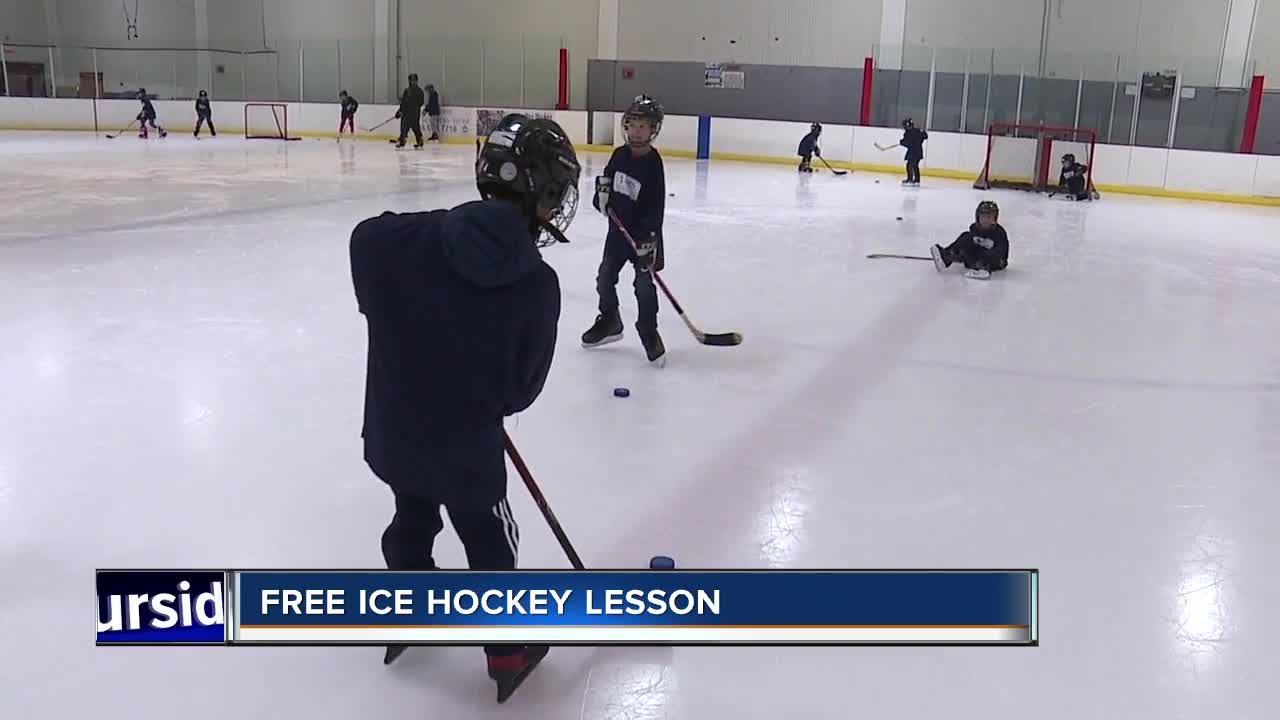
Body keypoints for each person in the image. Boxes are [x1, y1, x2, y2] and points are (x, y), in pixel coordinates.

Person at [349, 114, 580, 704]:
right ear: (544, 195)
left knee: (412, 518)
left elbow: (363, 240)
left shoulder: (404, 239)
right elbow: (517, 394)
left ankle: (405, 610)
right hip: (465, 453)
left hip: (395, 433)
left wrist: (394, 319)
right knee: (490, 538)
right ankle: (506, 650)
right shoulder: (537, 286)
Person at [582, 95, 668, 365]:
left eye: (643, 126)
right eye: (632, 124)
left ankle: (648, 332)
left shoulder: (654, 165)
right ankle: (610, 320)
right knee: (604, 278)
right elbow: (606, 185)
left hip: (644, 239)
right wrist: (602, 199)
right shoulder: (619, 155)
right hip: (617, 234)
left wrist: (648, 241)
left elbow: (656, 209)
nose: (637, 130)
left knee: (643, 286)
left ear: (653, 130)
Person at [929, 200, 1009, 280]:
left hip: (994, 262)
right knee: (965, 236)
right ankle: (946, 256)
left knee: (991, 255)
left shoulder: (999, 233)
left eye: (989, 217)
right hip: (975, 259)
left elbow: (1001, 252)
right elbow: (969, 245)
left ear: (994, 219)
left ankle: (983, 269)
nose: (985, 220)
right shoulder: (974, 228)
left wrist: (986, 257)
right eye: (983, 216)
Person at [394, 73, 426, 149]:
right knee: (414, 127)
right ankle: (418, 141)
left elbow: (404, 103)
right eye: (412, 80)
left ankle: (404, 142)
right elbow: (420, 103)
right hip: (414, 113)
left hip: (408, 113)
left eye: (414, 80)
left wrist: (401, 111)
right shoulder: (419, 91)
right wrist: (400, 111)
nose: (413, 82)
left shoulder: (408, 91)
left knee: (406, 127)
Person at [899, 118, 927, 185]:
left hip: (915, 152)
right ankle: (914, 179)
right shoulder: (916, 131)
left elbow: (908, 143)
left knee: (912, 165)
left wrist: (902, 142)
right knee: (912, 165)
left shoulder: (909, 133)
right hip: (915, 152)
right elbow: (924, 136)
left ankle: (913, 179)